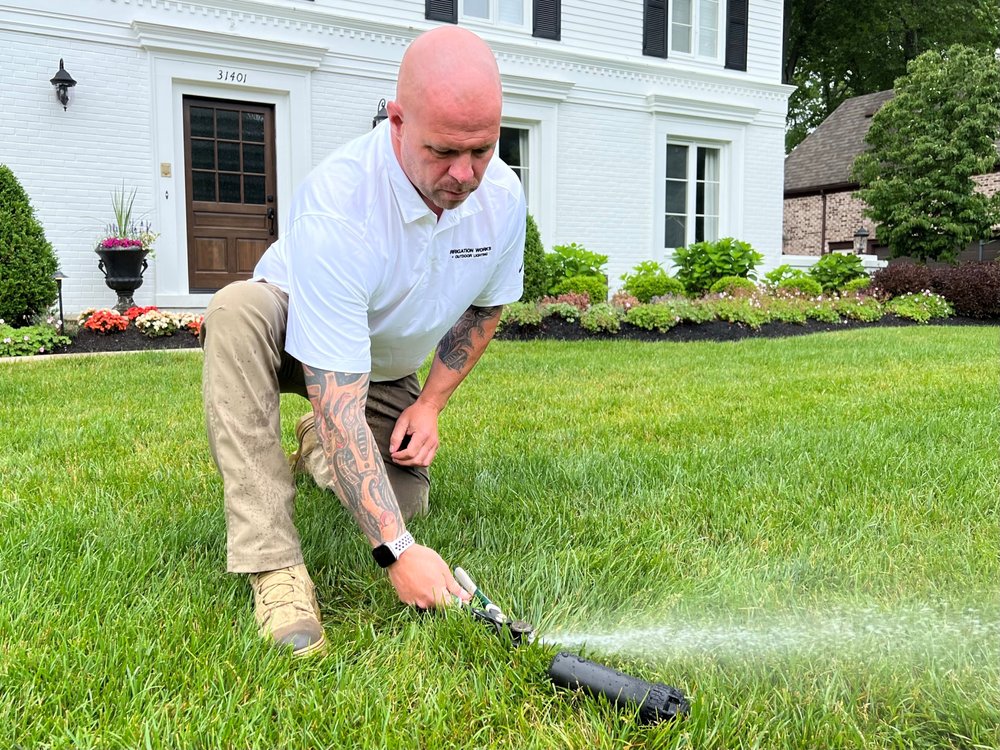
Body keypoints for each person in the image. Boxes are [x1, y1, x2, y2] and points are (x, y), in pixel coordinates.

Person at [200, 25, 526, 657]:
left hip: (379, 365)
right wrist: (396, 554)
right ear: (397, 120)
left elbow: (488, 307)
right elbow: (338, 398)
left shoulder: (504, 199)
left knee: (404, 499)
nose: (464, 175)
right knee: (234, 310)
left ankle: (319, 448)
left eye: (482, 151)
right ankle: (273, 565)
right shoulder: (339, 202)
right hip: (291, 332)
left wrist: (429, 404)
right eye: (443, 152)